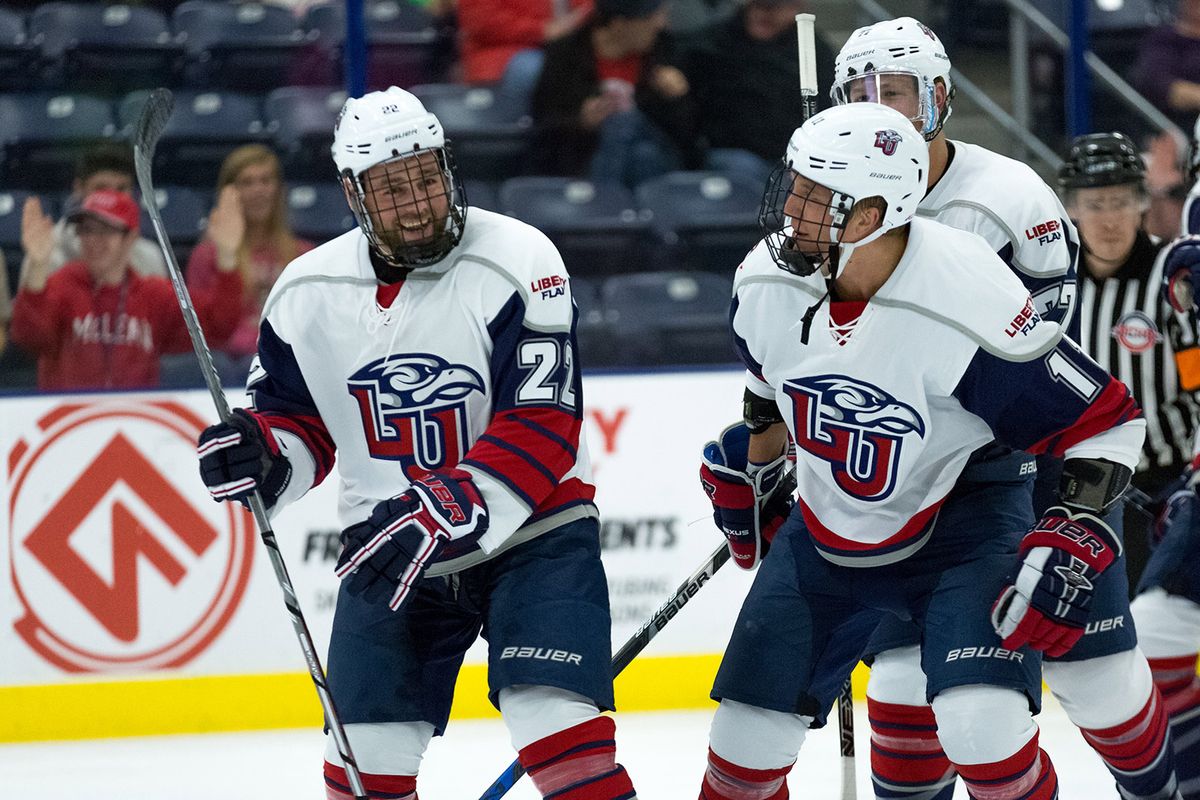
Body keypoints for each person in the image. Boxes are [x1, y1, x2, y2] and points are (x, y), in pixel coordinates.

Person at [194, 86, 638, 800]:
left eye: (427, 176)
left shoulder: (518, 257)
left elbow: (545, 426)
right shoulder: (306, 290)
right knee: (365, 771)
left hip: (534, 532)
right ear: (352, 192)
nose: (417, 201)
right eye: (390, 186)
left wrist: (444, 506)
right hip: (390, 547)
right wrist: (263, 456)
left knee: (563, 743)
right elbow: (299, 425)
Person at [697, 100, 1146, 800]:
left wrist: (1075, 525)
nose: (792, 207)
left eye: (817, 195)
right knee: (740, 750)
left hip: (961, 526)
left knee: (983, 729)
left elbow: (1107, 419)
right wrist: (757, 468)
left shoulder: (962, 294)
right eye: (796, 185)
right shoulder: (764, 279)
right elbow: (767, 385)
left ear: (872, 215)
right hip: (826, 536)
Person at [830, 20, 1181, 800]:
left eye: (897, 91)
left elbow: (1036, 358)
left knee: (1100, 685)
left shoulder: (1010, 195)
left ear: (940, 99)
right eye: (861, 92)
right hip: (906, 485)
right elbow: (808, 341)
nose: (879, 108)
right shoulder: (825, 198)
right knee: (900, 691)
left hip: (1029, 470)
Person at [9, 189, 241, 391]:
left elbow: (217, 325)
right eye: (87, 230)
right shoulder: (63, 284)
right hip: (69, 421)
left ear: (131, 238)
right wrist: (37, 268)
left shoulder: (152, 294)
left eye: (105, 231)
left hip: (136, 420)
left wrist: (227, 257)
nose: (93, 240)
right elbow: (28, 336)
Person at [530, 0, 703, 188]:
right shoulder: (567, 54)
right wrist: (582, 122)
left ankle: (603, 202)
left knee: (624, 124)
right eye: (651, 17)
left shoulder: (666, 50)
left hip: (661, 151)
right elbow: (544, 126)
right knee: (642, 154)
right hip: (587, 157)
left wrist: (677, 98)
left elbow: (690, 135)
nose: (660, 24)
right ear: (619, 24)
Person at [184, 145, 313, 386]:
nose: (258, 191)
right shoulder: (206, 256)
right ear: (228, 194)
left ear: (278, 190)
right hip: (229, 372)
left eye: (266, 180)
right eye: (247, 182)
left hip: (288, 366)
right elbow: (202, 330)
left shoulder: (303, 255)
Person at [681, 0, 835, 183]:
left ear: (797, 8)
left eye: (776, 7)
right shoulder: (708, 45)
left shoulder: (814, 51)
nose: (766, 14)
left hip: (792, 155)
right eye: (759, 5)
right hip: (730, 153)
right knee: (741, 167)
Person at [18, 142, 166, 283]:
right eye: (101, 188)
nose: (112, 198)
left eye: (121, 189)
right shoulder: (46, 254)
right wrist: (37, 265)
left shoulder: (149, 256)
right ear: (79, 189)